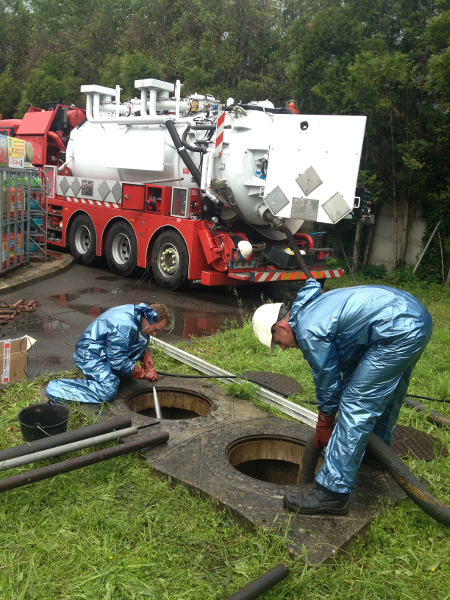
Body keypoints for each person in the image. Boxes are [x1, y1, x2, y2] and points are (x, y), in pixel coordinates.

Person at [252, 279, 432, 516]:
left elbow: (327, 381)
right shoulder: (311, 309)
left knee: (355, 403)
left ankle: (332, 493)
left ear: (282, 328)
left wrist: (325, 421)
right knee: (384, 393)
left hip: (394, 330)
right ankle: (375, 455)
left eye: (278, 343)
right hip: (413, 319)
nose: (283, 348)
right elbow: (350, 358)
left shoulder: (308, 329)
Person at [46, 302, 169, 404]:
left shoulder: (139, 315)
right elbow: (118, 363)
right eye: (155, 329)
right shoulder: (123, 325)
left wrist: (145, 356)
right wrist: (143, 373)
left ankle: (109, 375)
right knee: (108, 390)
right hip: (90, 354)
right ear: (148, 319)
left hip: (106, 351)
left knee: (123, 376)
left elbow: (138, 337)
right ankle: (56, 388)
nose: (154, 334)